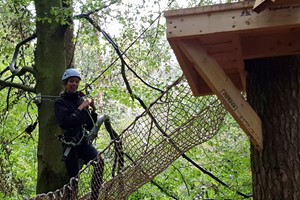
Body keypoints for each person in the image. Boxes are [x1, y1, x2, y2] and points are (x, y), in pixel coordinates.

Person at [54, 68, 104, 200]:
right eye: (71, 81)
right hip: (70, 144)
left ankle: (94, 196)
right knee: (73, 179)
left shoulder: (79, 99)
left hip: (82, 143)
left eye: (76, 82)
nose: (74, 84)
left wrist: (92, 110)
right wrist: (80, 108)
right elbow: (65, 122)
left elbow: (89, 124)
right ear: (65, 83)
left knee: (99, 162)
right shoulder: (60, 102)